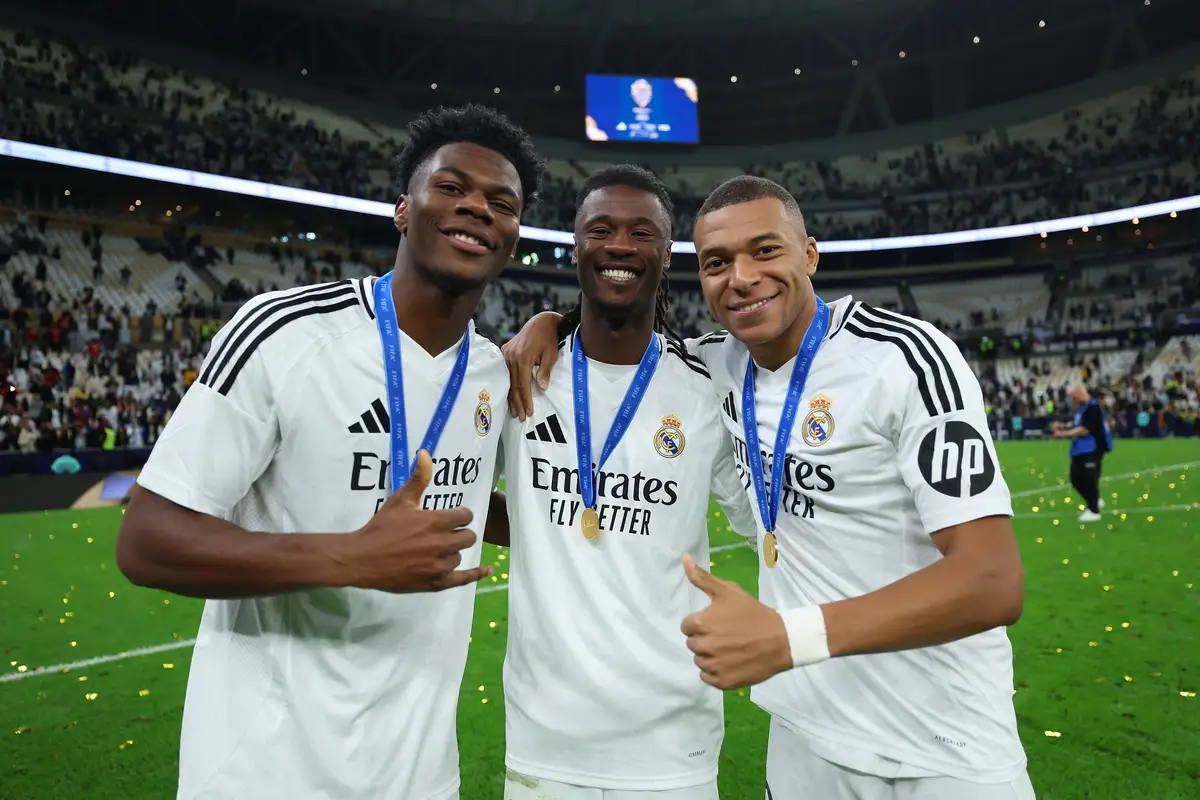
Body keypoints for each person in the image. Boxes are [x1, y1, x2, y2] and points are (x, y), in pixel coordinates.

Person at [503, 175, 1033, 800]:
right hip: (804, 740)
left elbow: (992, 580)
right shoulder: (716, 366)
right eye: (717, 263)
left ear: (809, 254)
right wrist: (550, 323)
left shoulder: (902, 360)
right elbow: (619, 338)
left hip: (942, 748)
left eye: (765, 250)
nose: (743, 277)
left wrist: (790, 637)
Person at [115, 104, 546, 800]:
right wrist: (352, 557)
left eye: (502, 203)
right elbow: (147, 540)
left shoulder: (495, 374)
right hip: (266, 772)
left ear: (514, 238)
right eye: (451, 187)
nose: (477, 207)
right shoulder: (285, 333)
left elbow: (474, 502)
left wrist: (555, 319)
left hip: (420, 777)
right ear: (402, 209)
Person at [490, 166, 757, 800]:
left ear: (666, 255)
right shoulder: (514, 375)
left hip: (672, 744)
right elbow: (462, 494)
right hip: (545, 743)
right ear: (575, 246)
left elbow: (764, 522)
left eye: (642, 233)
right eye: (600, 229)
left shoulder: (705, 389)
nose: (619, 245)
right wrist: (537, 524)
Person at [1051, 383, 1112, 523]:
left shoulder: (1093, 408)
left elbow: (1084, 430)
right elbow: (1077, 424)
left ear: (1078, 395)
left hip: (1093, 448)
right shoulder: (1082, 408)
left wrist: (1062, 434)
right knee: (1075, 479)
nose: (1072, 400)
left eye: (1073, 397)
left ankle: (1094, 511)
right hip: (1080, 449)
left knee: (1089, 479)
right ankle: (1094, 500)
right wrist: (1062, 426)